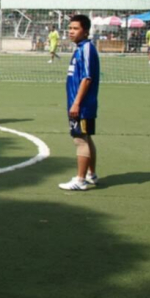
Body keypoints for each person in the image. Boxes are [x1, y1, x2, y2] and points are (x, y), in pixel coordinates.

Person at [59, 14, 100, 191]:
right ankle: (91, 174)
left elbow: (87, 78)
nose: (71, 31)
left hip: (82, 105)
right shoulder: (80, 48)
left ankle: (80, 179)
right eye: (70, 28)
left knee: (80, 139)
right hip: (80, 103)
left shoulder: (86, 48)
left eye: (75, 28)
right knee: (86, 137)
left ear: (85, 31)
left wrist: (76, 103)